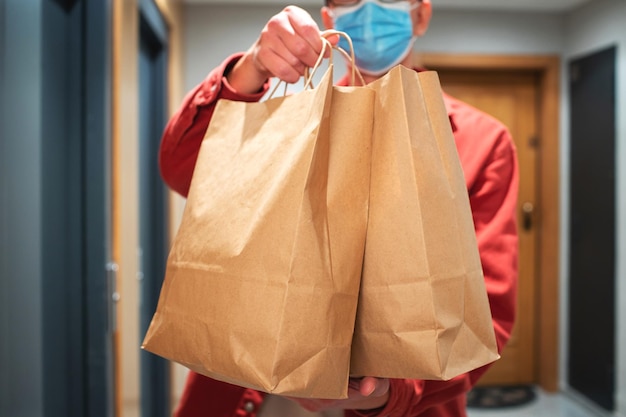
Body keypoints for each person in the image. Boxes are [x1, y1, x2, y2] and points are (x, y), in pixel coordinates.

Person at [158, 0, 519, 416]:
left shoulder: (479, 142)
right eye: (350, 1)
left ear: (421, 14)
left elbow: (486, 313)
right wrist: (253, 67)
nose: (368, 10)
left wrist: (388, 394)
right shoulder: (291, 126)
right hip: (252, 389)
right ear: (329, 17)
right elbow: (183, 166)